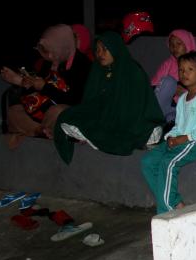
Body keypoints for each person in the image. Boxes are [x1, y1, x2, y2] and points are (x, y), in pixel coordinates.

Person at [53, 32, 164, 164]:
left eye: (105, 49)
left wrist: (114, 116)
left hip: (130, 119)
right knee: (66, 117)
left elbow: (138, 105)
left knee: (144, 133)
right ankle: (94, 137)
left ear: (115, 48)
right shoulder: (98, 70)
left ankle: (100, 137)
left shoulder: (132, 70)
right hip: (105, 117)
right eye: (97, 50)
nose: (100, 54)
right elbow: (91, 102)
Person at [140, 51, 196, 214]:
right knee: (148, 162)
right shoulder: (182, 99)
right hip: (182, 139)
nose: (184, 73)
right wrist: (171, 137)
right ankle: (174, 203)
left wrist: (185, 137)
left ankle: (166, 211)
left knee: (169, 163)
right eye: (181, 70)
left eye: (190, 69)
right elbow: (179, 125)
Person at [1, 24, 91, 144]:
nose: (49, 55)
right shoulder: (49, 61)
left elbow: (76, 99)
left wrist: (44, 87)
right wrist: (21, 81)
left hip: (67, 111)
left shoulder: (83, 64)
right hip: (43, 112)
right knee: (14, 112)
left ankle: (44, 132)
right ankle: (41, 131)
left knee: (59, 112)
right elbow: (35, 94)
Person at [150, 29, 196, 124]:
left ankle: (166, 124)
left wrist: (185, 92)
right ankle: (153, 118)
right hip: (166, 106)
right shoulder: (167, 64)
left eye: (178, 43)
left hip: (186, 108)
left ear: (187, 43)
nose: (174, 47)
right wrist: (171, 88)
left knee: (172, 119)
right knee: (168, 82)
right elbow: (154, 87)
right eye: (171, 44)